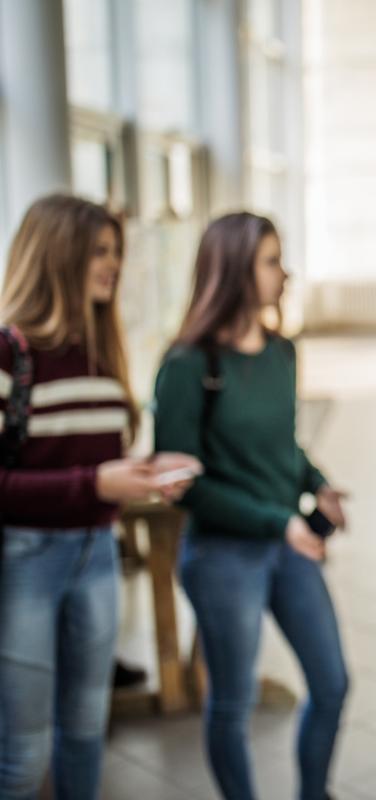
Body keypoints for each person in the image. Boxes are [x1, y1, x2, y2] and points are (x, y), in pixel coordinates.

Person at [0, 194, 197, 799]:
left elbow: (88, 460)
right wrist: (95, 484)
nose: (113, 265)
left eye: (116, 252)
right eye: (100, 252)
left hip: (98, 556)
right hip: (25, 560)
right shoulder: (10, 353)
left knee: (87, 735)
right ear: (59, 254)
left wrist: (141, 471)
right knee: (24, 756)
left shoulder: (103, 354)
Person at [153, 213, 349, 800]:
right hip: (221, 556)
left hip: (287, 544)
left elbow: (283, 445)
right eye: (271, 260)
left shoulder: (282, 353)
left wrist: (318, 482)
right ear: (235, 269)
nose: (285, 273)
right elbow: (183, 481)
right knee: (232, 704)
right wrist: (279, 520)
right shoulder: (188, 366)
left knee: (332, 683)